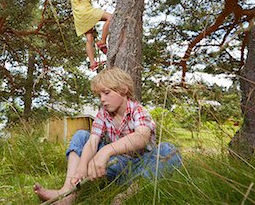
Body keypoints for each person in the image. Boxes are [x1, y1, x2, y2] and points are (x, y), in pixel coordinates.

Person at [33, 67, 182, 204]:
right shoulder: (103, 114)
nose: (102, 99)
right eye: (99, 95)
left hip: (140, 169)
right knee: (81, 135)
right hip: (113, 167)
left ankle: (129, 195)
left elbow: (141, 137)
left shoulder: (138, 110)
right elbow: (92, 141)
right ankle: (68, 194)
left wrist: (106, 150)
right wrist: (82, 167)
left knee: (169, 150)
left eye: (106, 93)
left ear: (123, 90)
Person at [69, 0, 112, 71]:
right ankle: (102, 41)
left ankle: (93, 63)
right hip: (85, 11)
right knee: (110, 17)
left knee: (89, 38)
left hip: (79, 15)